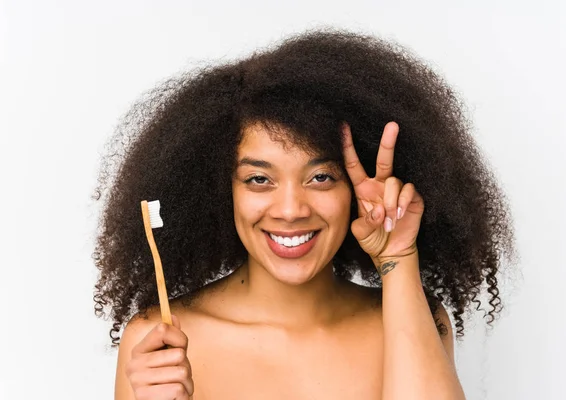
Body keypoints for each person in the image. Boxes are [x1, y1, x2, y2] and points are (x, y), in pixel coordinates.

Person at [92, 29, 517, 399]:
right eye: (259, 180)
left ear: (353, 190)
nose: (292, 210)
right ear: (221, 192)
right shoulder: (161, 341)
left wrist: (398, 258)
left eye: (321, 178)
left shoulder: (410, 319)